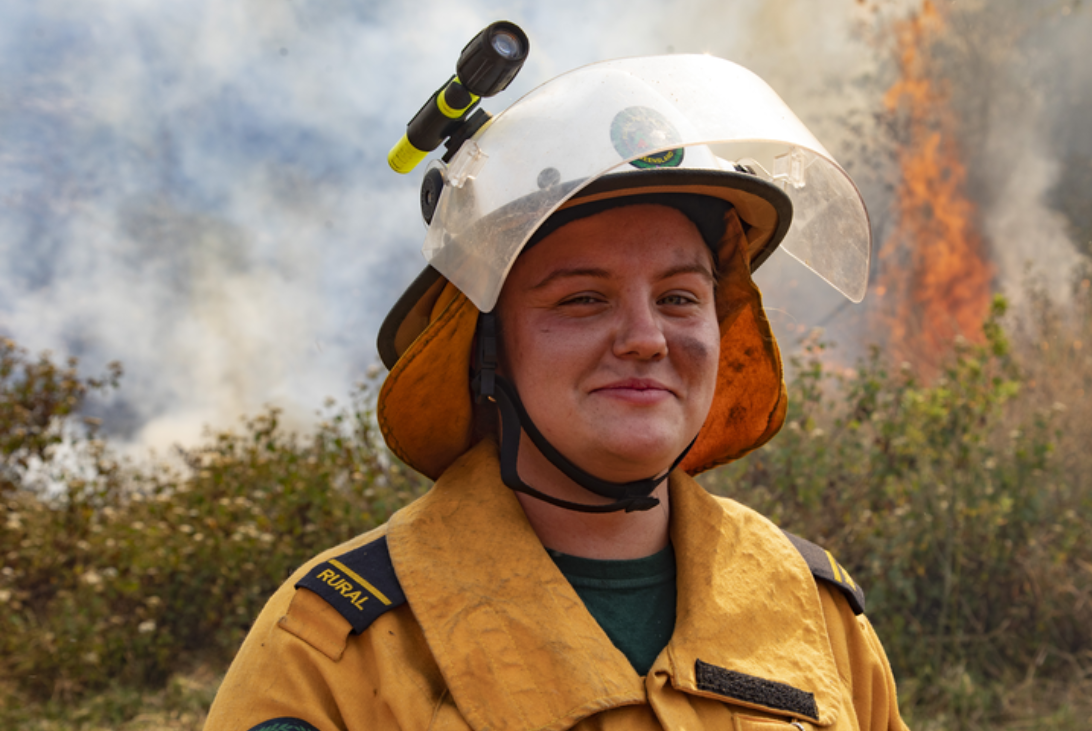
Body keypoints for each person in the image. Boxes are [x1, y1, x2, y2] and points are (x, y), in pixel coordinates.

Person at [204, 54, 907, 731]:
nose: (646, 337)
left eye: (680, 297)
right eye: (582, 299)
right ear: (487, 348)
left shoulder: (814, 609)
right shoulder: (335, 643)